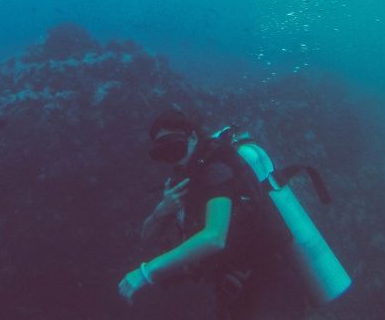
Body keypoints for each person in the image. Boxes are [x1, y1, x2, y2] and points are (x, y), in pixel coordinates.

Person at [118, 109, 308, 320]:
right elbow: (146, 238)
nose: (170, 157)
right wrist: (162, 210)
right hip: (234, 284)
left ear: (192, 137)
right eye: (162, 151)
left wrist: (146, 272)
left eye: (173, 145)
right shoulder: (184, 179)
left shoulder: (215, 169)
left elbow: (214, 237)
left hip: (267, 280)